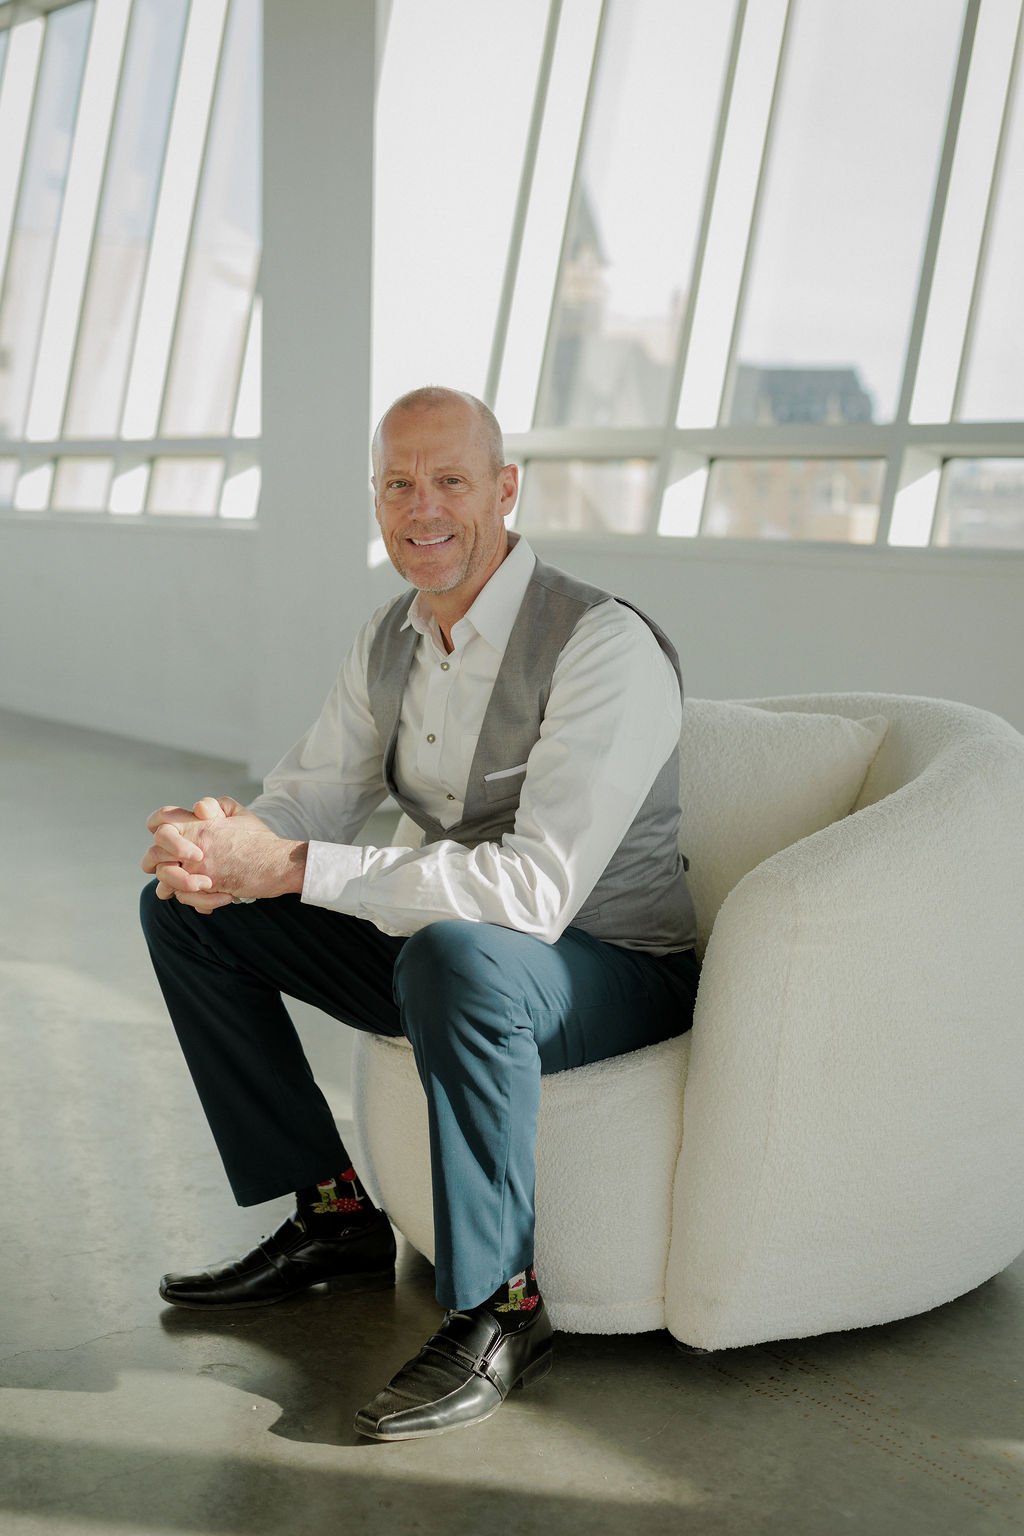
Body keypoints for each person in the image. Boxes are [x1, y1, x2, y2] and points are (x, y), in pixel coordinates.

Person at [139, 385, 700, 1441]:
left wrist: (295, 864)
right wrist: (223, 844)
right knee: (185, 913)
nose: (421, 506)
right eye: (397, 482)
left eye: (449, 480)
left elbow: (533, 895)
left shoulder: (601, 645)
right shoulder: (390, 637)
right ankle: (333, 1215)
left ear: (504, 491)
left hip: (608, 966)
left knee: (459, 958)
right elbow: (309, 793)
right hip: (451, 956)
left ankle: (503, 1309)